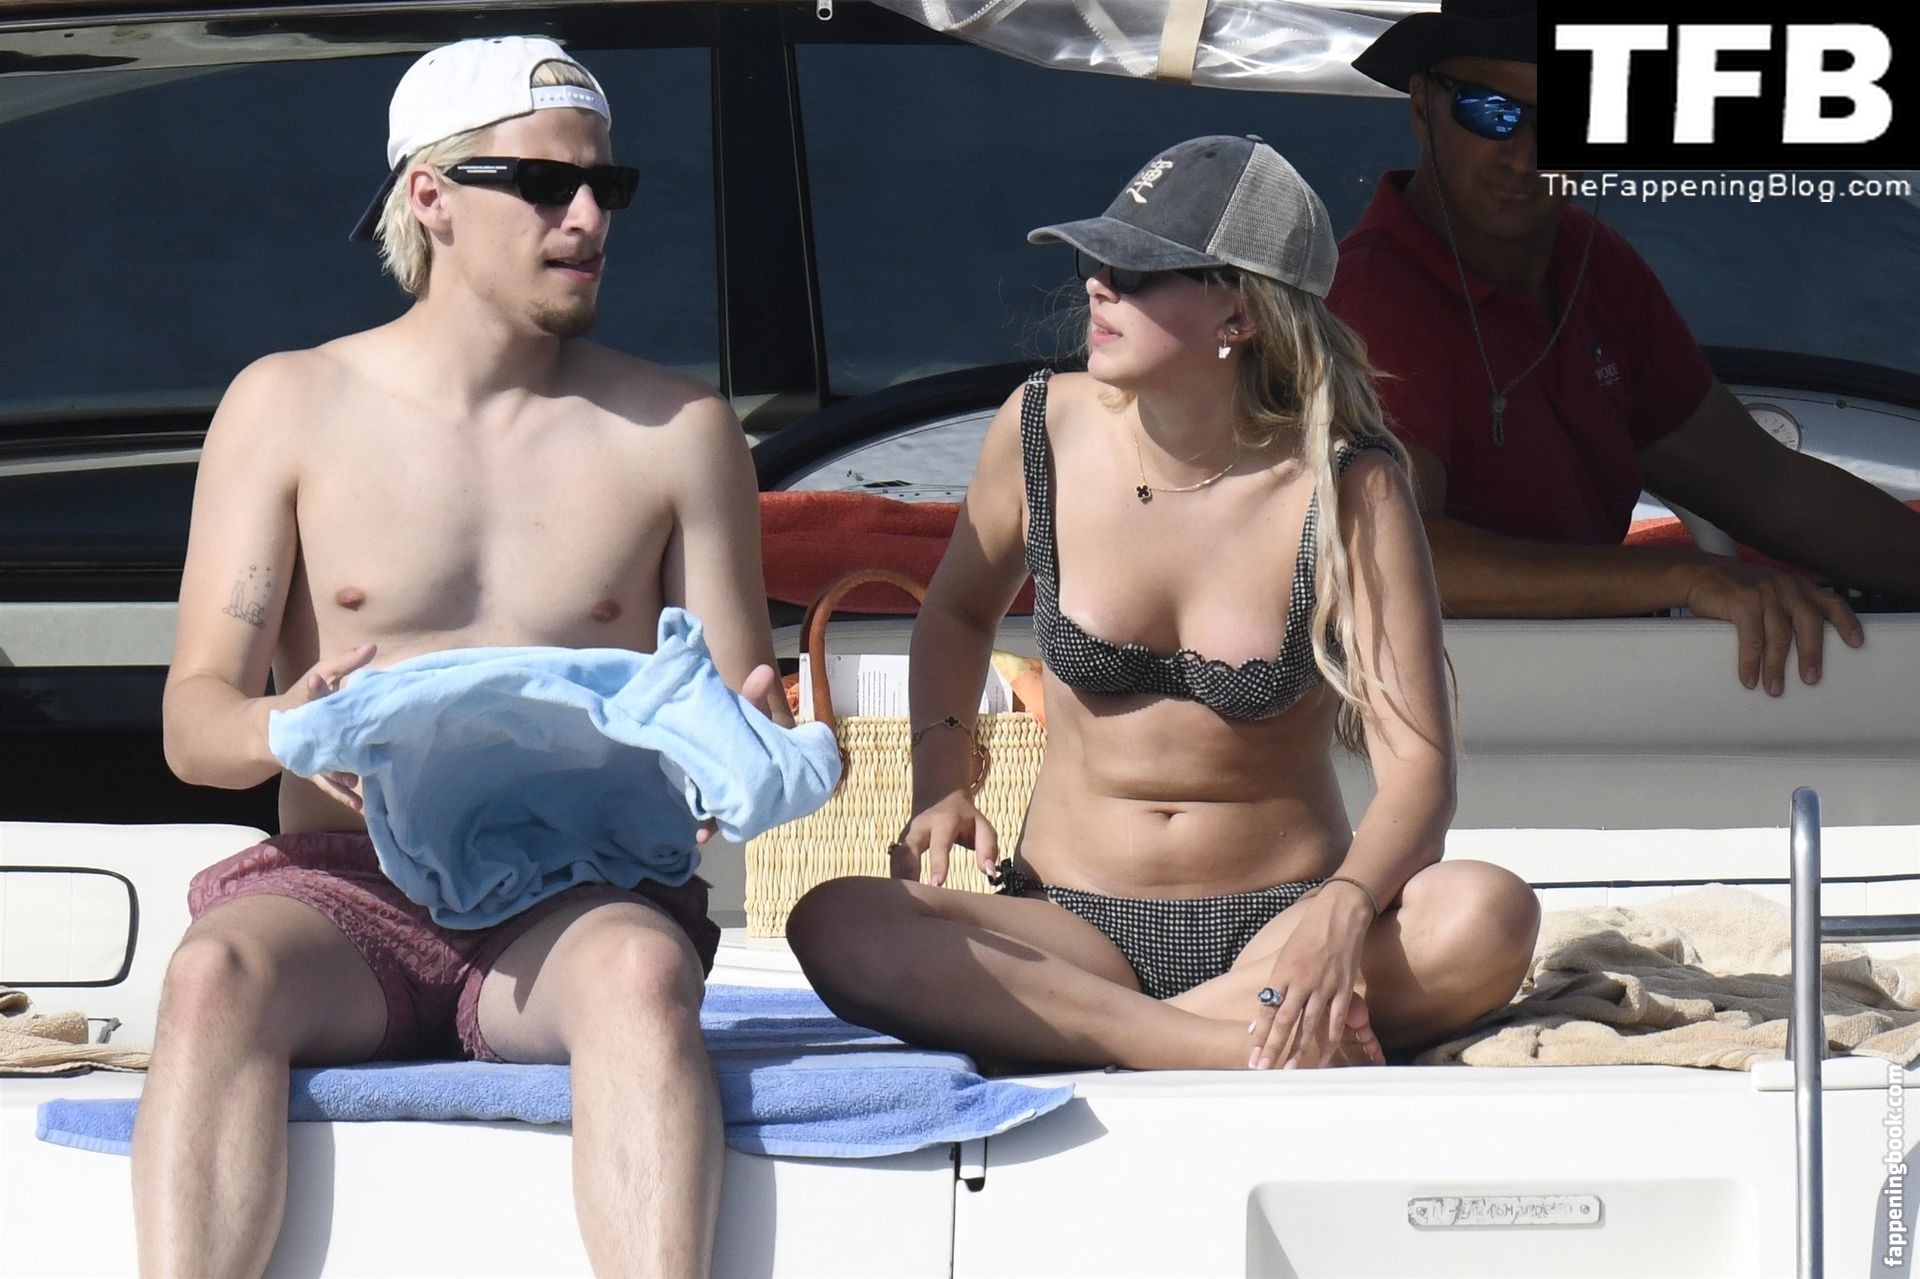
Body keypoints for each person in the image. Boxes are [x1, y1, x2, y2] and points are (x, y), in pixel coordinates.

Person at [135, 37, 780, 1278]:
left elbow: (738, 728)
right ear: (429, 196)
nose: (587, 216)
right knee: (213, 973)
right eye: (544, 184)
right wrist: (287, 726)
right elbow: (192, 726)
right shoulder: (288, 404)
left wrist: (743, 755)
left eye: (606, 185)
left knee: (643, 973)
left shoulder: (681, 431)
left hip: (573, 899)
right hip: (348, 893)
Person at [786, 136, 1540, 1073]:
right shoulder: (1041, 426)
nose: (1098, 286)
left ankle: (1100, 1032)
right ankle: (1227, 1048)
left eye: (1136, 272)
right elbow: (957, 613)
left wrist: (1346, 908)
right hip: (1068, 922)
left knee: (1490, 911)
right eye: (1096, 262)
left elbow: (1419, 771)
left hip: (1282, 930)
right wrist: (941, 783)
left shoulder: (1348, 485)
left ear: (1241, 310)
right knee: (836, 920)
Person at [1330, 0, 1920, 698]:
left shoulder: (1594, 264)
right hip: (1450, 722)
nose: (1525, 154)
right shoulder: (1373, 299)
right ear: (1422, 107)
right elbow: (1386, 557)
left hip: (1600, 698)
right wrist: (1687, 574)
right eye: (1489, 111)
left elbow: (1763, 484)